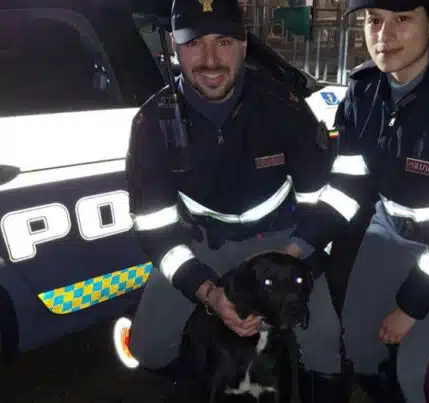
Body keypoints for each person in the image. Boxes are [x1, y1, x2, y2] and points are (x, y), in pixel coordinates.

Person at [282, 0, 429, 402]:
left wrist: (410, 308)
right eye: (374, 21)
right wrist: (297, 247)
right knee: (358, 345)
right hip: (391, 228)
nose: (384, 36)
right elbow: (348, 188)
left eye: (402, 19)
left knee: (416, 373)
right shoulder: (364, 89)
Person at [125, 0, 333, 378]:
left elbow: (321, 204)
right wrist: (206, 291)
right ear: (174, 44)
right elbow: (154, 230)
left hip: (281, 240)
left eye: (222, 42)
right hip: (202, 243)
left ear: (243, 43)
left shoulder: (284, 108)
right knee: (148, 348)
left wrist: (292, 257)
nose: (209, 60)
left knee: (325, 347)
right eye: (193, 43)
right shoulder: (150, 124)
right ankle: (204, 376)